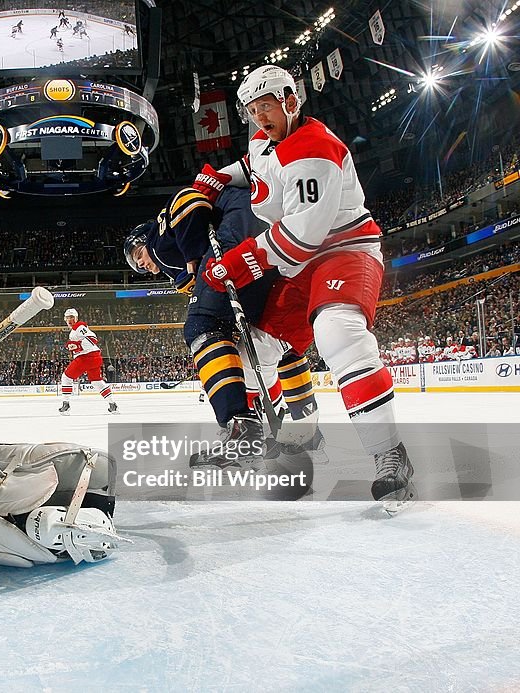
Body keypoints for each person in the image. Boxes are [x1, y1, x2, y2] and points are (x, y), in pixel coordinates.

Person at [192, 65, 413, 509]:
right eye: (253, 111)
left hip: (344, 249)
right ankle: (248, 439)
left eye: (266, 107)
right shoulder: (265, 137)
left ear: (291, 101)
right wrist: (217, 178)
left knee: (338, 332)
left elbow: (300, 237)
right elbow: (254, 167)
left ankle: (391, 455)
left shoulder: (314, 148)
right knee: (256, 348)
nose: (259, 118)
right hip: (302, 263)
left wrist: (236, 264)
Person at [124, 185, 324, 465]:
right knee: (269, 337)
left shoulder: (159, 241)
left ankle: (241, 429)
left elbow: (188, 199)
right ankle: (305, 423)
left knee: (201, 325)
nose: (142, 265)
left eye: (138, 257)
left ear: (144, 240)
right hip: (269, 237)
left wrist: (194, 262)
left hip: (238, 232)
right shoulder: (174, 263)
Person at [58, 307, 117, 415]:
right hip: (94, 357)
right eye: (68, 317)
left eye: (72, 317)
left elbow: (93, 339)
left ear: (76, 318)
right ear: (64, 319)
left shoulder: (79, 326)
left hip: (86, 357)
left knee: (66, 377)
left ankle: (66, 404)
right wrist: (74, 346)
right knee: (96, 382)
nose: (70, 320)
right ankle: (112, 404)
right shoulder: (75, 330)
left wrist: (77, 346)